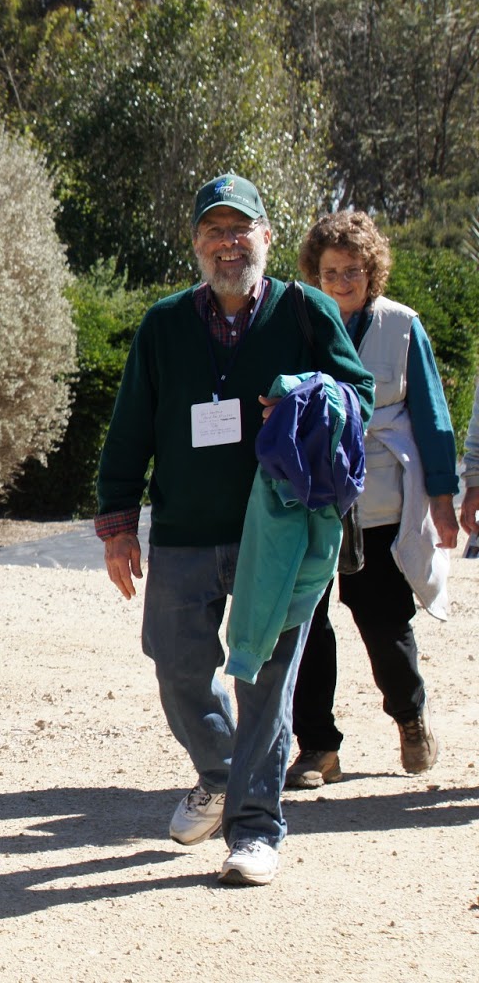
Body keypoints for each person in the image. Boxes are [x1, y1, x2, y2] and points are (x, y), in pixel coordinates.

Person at [95, 174, 373, 887]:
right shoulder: (164, 325)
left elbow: (360, 395)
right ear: (196, 242)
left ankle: (254, 829)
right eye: (213, 230)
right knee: (176, 664)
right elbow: (129, 429)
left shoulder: (306, 311)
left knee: (268, 683)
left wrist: (305, 395)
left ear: (266, 236)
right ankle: (221, 774)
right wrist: (119, 525)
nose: (227, 243)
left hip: (277, 530)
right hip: (185, 529)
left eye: (240, 228)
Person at [285, 212, 454, 789]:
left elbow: (432, 417)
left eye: (353, 270)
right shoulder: (297, 323)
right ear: (315, 273)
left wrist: (443, 498)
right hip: (313, 497)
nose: (341, 282)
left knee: (384, 621)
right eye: (330, 272)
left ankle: (410, 718)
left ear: (372, 271)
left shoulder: (402, 326)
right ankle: (318, 748)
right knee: (306, 624)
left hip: (381, 501)